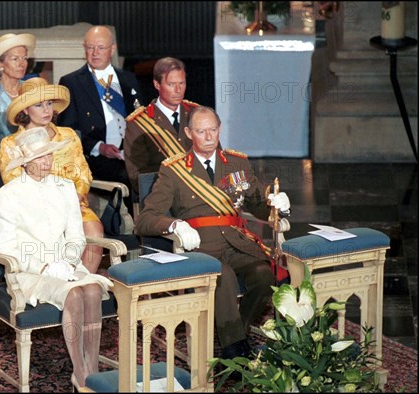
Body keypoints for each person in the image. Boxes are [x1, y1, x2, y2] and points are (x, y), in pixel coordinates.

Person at [135, 106, 291, 360]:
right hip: (198, 247)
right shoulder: (174, 171)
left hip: (236, 242)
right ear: (188, 133)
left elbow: (258, 206)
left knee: (265, 274)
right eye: (201, 131)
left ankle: (235, 333)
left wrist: (278, 205)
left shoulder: (237, 162)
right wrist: (175, 225)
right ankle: (234, 349)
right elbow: (145, 219)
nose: (209, 137)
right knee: (224, 276)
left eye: (213, 130)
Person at [0, 126, 113, 389]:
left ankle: (92, 366)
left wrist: (69, 261)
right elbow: (9, 247)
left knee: (92, 289)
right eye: (39, 158)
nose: (47, 162)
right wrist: (46, 265)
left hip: (67, 265)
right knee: (75, 294)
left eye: (49, 156)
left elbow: (76, 234)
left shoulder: (65, 186)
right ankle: (79, 373)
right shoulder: (7, 196)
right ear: (24, 163)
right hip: (30, 271)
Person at [0, 78, 104, 274]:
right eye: (38, 105)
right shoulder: (10, 143)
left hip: (74, 203)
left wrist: (75, 196)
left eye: (49, 104)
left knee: (94, 232)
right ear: (24, 110)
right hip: (34, 209)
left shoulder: (69, 135)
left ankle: (80, 280)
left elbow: (83, 172)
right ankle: (54, 285)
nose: (46, 110)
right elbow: (14, 183)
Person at [57, 25, 143, 210]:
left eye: (101, 47)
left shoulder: (128, 79)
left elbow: (140, 120)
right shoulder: (71, 82)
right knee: (126, 176)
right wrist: (99, 147)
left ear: (112, 49)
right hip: (97, 157)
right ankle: (134, 232)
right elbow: (69, 132)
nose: (95, 53)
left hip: (130, 153)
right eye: (90, 47)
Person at [125, 57, 221, 194]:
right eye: (171, 84)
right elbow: (138, 178)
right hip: (164, 201)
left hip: (205, 196)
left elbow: (218, 159)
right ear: (157, 85)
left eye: (181, 83)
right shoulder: (139, 123)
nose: (178, 90)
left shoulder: (198, 114)